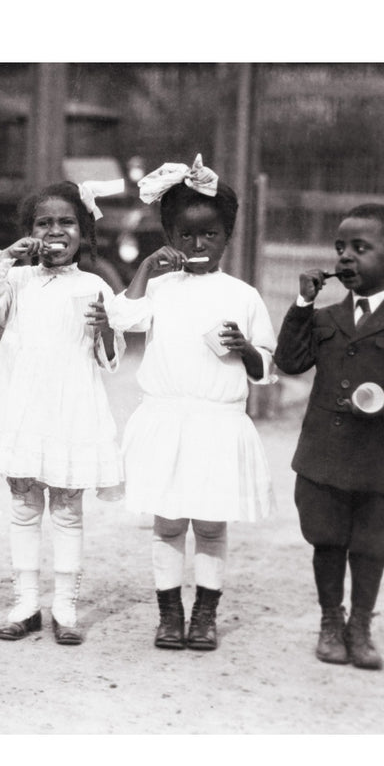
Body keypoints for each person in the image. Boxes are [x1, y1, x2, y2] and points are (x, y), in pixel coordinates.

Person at [107, 154, 277, 651]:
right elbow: (124, 318)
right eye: (185, 235)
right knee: (168, 521)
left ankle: (205, 613)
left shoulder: (243, 295)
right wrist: (144, 270)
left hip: (217, 423)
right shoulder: (159, 288)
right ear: (169, 235)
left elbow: (267, 366)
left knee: (209, 522)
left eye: (210, 235)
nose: (198, 245)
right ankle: (169, 613)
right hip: (168, 418)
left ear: (228, 237)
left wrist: (245, 349)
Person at [274, 203, 384, 670]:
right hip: (325, 456)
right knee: (327, 540)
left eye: (360, 249)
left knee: (371, 545)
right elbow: (290, 361)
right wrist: (303, 304)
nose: (345, 258)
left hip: (380, 463)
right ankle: (331, 620)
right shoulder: (323, 318)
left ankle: (360, 624)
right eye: (340, 248)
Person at [0, 179, 125, 645]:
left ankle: (66, 606)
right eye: (44, 223)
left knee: (69, 510)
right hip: (22, 406)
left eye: (66, 222)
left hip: (71, 407)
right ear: (31, 232)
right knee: (23, 504)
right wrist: (5, 259)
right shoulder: (15, 278)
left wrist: (105, 331)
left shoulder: (95, 285)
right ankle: (25, 603)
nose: (55, 231)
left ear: (83, 232)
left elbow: (109, 361)